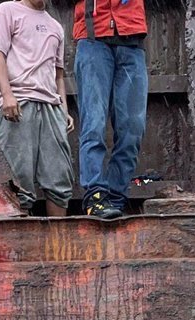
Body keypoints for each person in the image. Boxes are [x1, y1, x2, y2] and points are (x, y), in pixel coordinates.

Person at [0, 0, 76, 216]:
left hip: (51, 108)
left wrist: (63, 110)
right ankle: (16, 237)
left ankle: (58, 236)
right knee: (16, 182)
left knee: (59, 180)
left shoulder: (56, 26)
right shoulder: (7, 11)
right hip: (19, 104)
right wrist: (7, 95)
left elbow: (58, 75)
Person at [72, 0, 149, 220]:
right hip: (93, 38)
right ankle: (95, 196)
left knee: (133, 129)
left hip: (132, 41)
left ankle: (116, 198)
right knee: (94, 124)